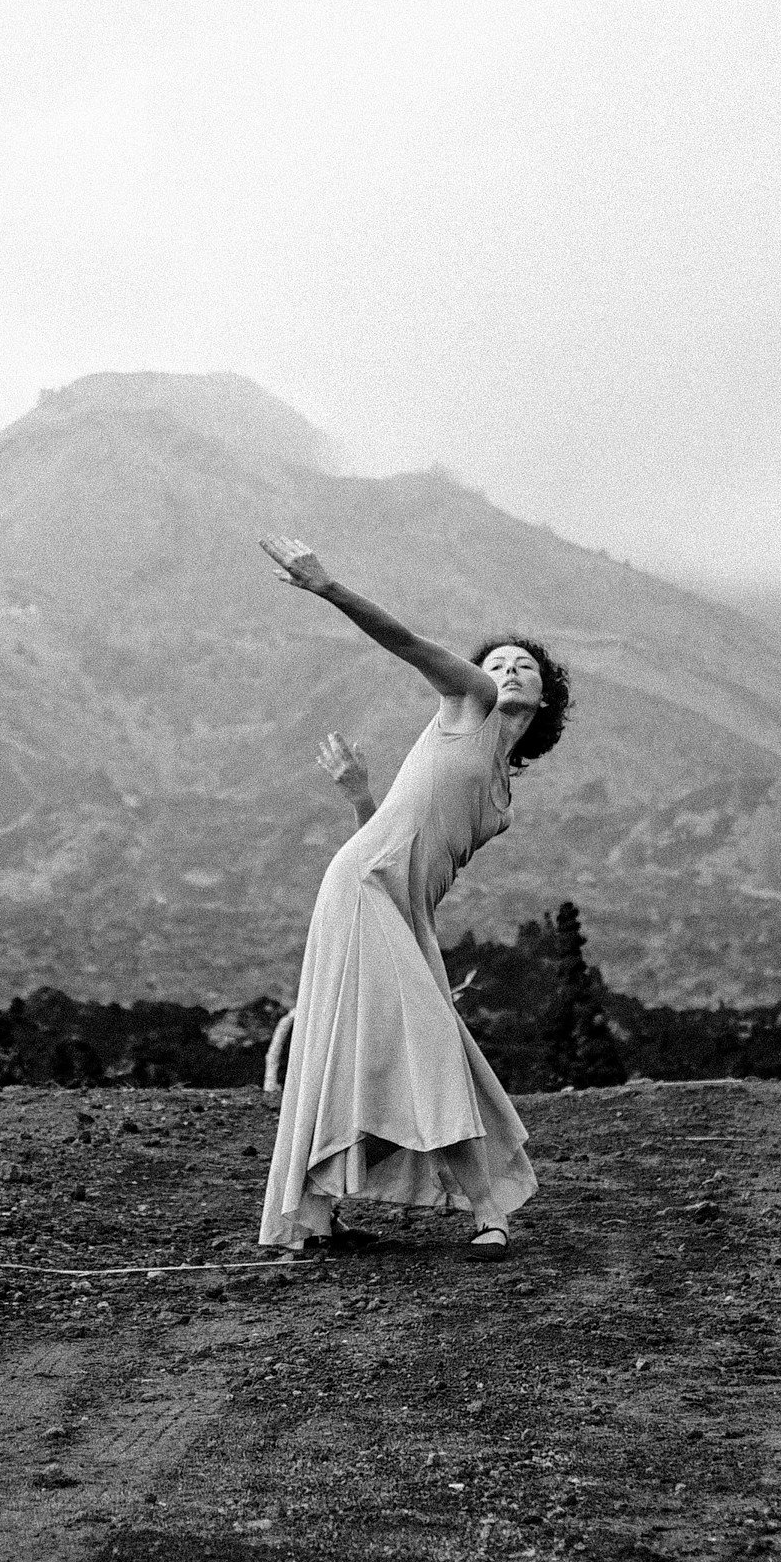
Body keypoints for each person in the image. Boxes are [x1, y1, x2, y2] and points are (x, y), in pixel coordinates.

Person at [255, 533, 569, 1261]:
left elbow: (395, 842)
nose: (506, 671)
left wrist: (360, 797)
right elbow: (408, 643)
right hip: (362, 891)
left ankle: (315, 1218)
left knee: (363, 1052)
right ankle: (489, 1211)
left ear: (545, 696)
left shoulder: (501, 793)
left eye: (523, 666)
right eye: (496, 662)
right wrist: (328, 587)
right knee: (427, 1049)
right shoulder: (471, 704)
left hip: (398, 908)